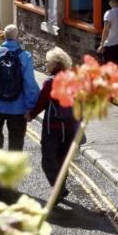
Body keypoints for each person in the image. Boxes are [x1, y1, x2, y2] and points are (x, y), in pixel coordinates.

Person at [0, 25, 40, 152]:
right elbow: (30, 84)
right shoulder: (25, 57)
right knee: (16, 143)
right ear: (18, 37)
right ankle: (13, 170)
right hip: (18, 108)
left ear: (4, 36)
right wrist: (31, 107)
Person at [27, 48, 76, 198]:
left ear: (54, 64)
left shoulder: (50, 82)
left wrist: (30, 115)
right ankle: (61, 186)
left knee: (48, 159)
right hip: (69, 128)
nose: (46, 64)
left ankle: (58, 188)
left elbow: (42, 102)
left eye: (48, 62)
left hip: (52, 127)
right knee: (62, 158)